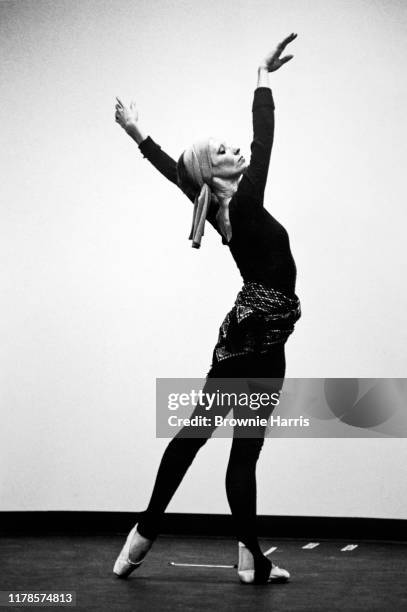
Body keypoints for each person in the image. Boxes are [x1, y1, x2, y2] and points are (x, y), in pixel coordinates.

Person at [113, 33, 301, 585]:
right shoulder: (242, 205)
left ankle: (243, 555)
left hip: (264, 338)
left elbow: (179, 175)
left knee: (231, 446)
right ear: (214, 173)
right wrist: (262, 79)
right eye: (222, 151)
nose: (236, 152)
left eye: (229, 146)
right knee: (209, 438)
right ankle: (145, 532)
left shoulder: (222, 210)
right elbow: (263, 141)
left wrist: (137, 134)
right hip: (252, 338)